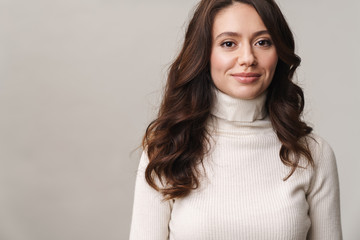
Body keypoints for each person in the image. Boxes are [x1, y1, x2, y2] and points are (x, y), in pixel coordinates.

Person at [129, 0, 342, 239]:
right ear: (204, 53)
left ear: (279, 52)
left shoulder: (313, 153)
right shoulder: (167, 148)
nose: (248, 58)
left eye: (263, 42)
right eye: (228, 43)